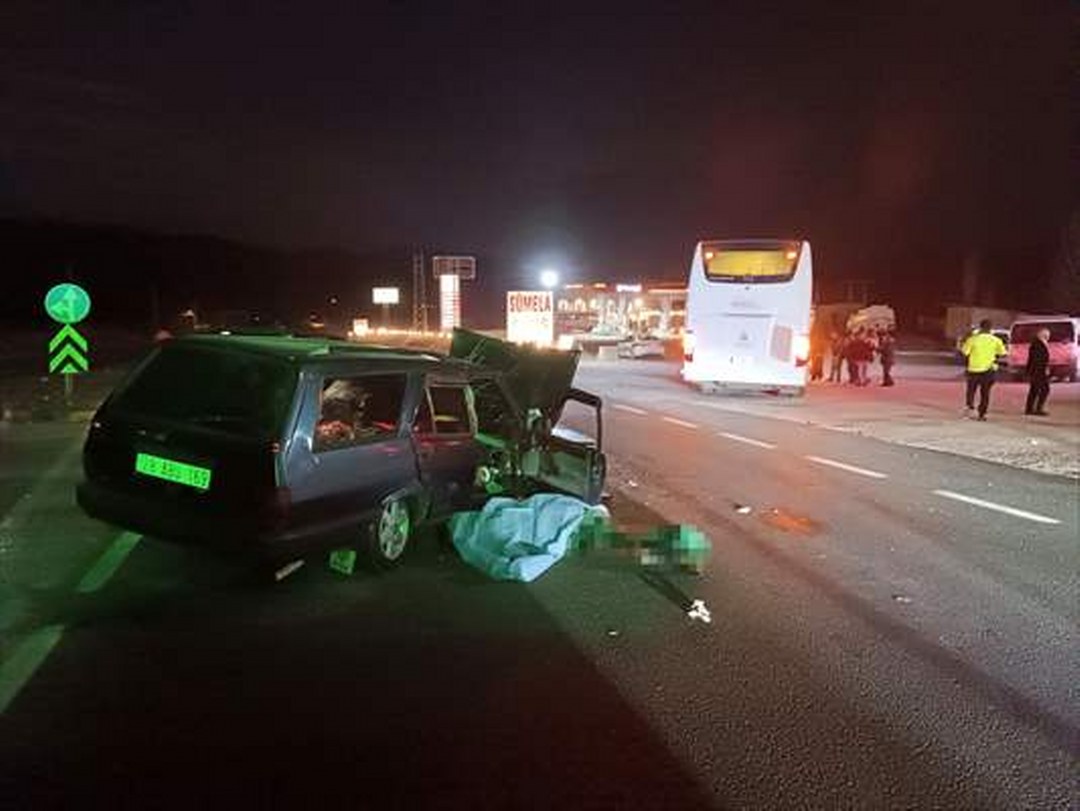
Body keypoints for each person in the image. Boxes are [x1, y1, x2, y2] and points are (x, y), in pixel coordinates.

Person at [960, 319, 1008, 421]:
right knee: (985, 393)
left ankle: (970, 408)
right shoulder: (996, 340)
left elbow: (964, 352)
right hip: (988, 369)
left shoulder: (973, 339)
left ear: (980, 327)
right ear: (990, 328)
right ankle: (982, 414)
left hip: (973, 369)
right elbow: (1003, 353)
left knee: (971, 391)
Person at [1024, 327, 1051, 416]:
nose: (1048, 336)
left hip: (1037, 371)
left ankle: (1029, 409)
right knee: (1044, 389)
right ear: (1040, 335)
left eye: (1048, 334)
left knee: (1034, 390)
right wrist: (1043, 369)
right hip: (1038, 371)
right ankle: (1038, 408)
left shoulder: (1040, 343)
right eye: (1046, 334)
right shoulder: (1037, 344)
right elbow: (1036, 359)